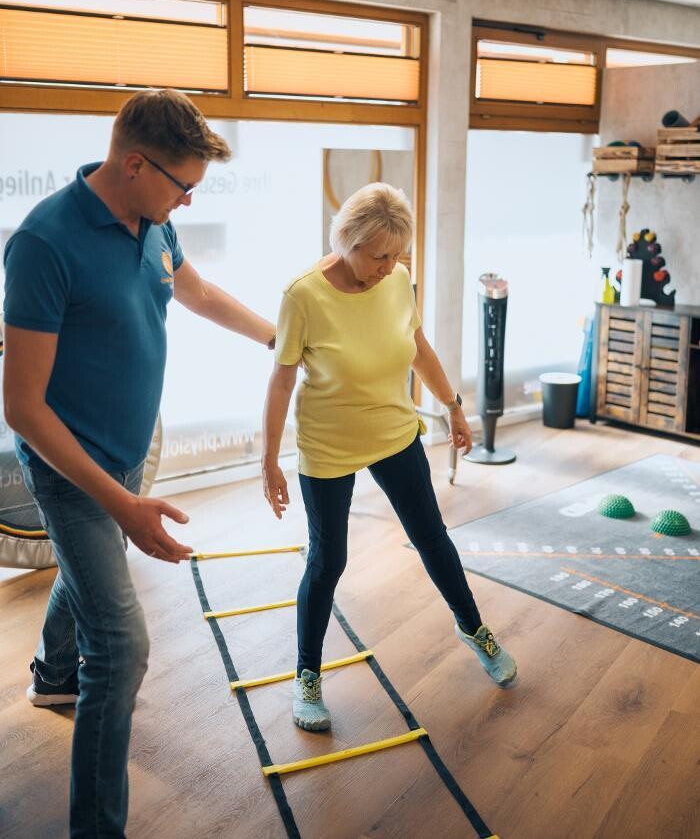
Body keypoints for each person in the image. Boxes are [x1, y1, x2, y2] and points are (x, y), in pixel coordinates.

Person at [2, 89, 276, 838]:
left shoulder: (153, 223)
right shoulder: (43, 244)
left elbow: (200, 294)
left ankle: (53, 676)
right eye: (183, 185)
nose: (189, 202)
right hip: (69, 471)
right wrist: (120, 506)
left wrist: (279, 341)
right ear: (133, 163)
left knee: (88, 573)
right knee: (121, 647)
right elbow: (23, 407)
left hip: (125, 455)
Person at [261, 183, 516, 733]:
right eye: (378, 255)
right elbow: (281, 381)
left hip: (396, 432)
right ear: (347, 240)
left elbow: (417, 347)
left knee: (432, 537)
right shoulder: (303, 295)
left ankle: (473, 628)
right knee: (327, 562)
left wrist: (453, 406)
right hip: (328, 446)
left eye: (396, 256)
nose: (387, 267)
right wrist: (269, 460)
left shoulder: (398, 281)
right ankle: (307, 676)